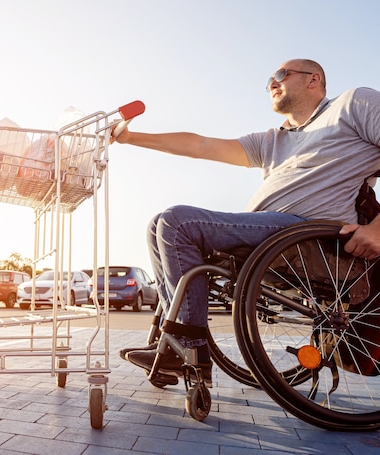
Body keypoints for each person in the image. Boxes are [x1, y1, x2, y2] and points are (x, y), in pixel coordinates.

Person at [112, 59, 380, 386]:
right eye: (268, 79)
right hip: (267, 236)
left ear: (314, 80)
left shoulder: (353, 104)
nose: (271, 83)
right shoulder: (274, 140)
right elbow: (201, 145)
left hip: (307, 236)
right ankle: (175, 348)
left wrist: (377, 228)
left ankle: (189, 349)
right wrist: (131, 138)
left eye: (281, 75)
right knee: (158, 225)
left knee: (176, 222)